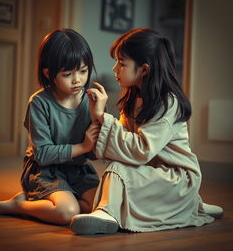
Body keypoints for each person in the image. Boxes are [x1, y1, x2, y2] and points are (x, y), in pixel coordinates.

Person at [69, 28, 223, 234]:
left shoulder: (169, 103)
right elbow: (123, 143)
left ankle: (109, 213)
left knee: (118, 170)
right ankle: (188, 206)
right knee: (118, 167)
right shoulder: (133, 98)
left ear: (144, 69)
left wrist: (102, 118)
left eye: (122, 63)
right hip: (149, 173)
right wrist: (97, 118)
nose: (115, 69)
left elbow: (141, 149)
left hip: (176, 177)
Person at [0, 29, 101, 225]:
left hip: (78, 169)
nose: (77, 80)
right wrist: (83, 146)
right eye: (67, 74)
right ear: (48, 73)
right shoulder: (39, 103)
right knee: (68, 212)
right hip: (46, 170)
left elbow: (94, 154)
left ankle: (55, 200)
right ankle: (19, 205)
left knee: (102, 206)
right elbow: (43, 154)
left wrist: (98, 115)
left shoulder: (90, 100)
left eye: (83, 71)